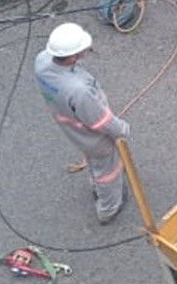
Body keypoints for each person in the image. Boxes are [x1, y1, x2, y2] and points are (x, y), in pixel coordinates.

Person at [34, 21, 131, 224]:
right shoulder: (78, 90)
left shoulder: (42, 62)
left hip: (73, 130)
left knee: (95, 163)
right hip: (95, 138)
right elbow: (100, 121)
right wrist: (122, 129)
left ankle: (97, 186)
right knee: (108, 173)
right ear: (72, 55)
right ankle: (108, 209)